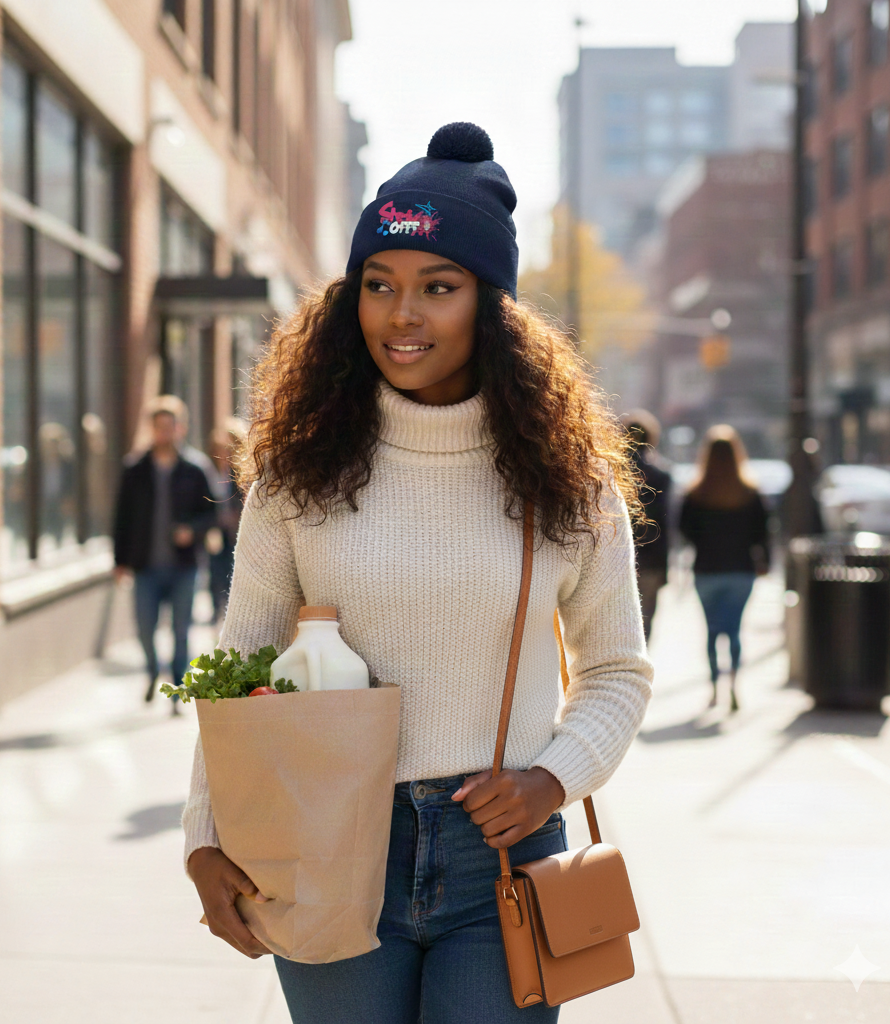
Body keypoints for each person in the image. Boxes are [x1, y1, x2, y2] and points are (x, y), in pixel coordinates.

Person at [181, 122, 653, 1023]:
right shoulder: (298, 476)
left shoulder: (568, 483)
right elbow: (241, 664)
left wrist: (553, 779)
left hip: (503, 855)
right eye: (379, 285)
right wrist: (206, 838)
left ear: (492, 305)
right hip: (319, 840)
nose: (404, 315)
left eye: (439, 287)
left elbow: (617, 671)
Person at [113, 395, 215, 712]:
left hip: (184, 567)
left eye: (170, 427)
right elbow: (121, 518)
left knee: (181, 631)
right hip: (145, 566)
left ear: (180, 428)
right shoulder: (135, 469)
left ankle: (177, 692)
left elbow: (213, 513)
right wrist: (119, 562)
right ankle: (153, 669)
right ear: (152, 430)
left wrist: (192, 531)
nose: (164, 433)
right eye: (158, 427)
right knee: (145, 629)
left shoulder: (195, 469)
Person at [679, 425, 769, 712]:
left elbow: (685, 529)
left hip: (706, 569)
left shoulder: (696, 493)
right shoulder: (750, 493)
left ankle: (714, 688)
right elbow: (762, 533)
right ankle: (734, 686)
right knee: (734, 630)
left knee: (712, 630)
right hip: (740, 570)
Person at [621, 410, 673, 641]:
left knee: (617, 621)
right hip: (651, 558)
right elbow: (665, 524)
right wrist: (665, 567)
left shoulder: (609, 471)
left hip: (616, 557)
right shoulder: (661, 475)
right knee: (645, 621)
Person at [206, 417, 248, 625]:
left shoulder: (243, 473)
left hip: (239, 532)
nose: (223, 452)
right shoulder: (211, 470)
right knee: (216, 572)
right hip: (218, 531)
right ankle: (218, 611)